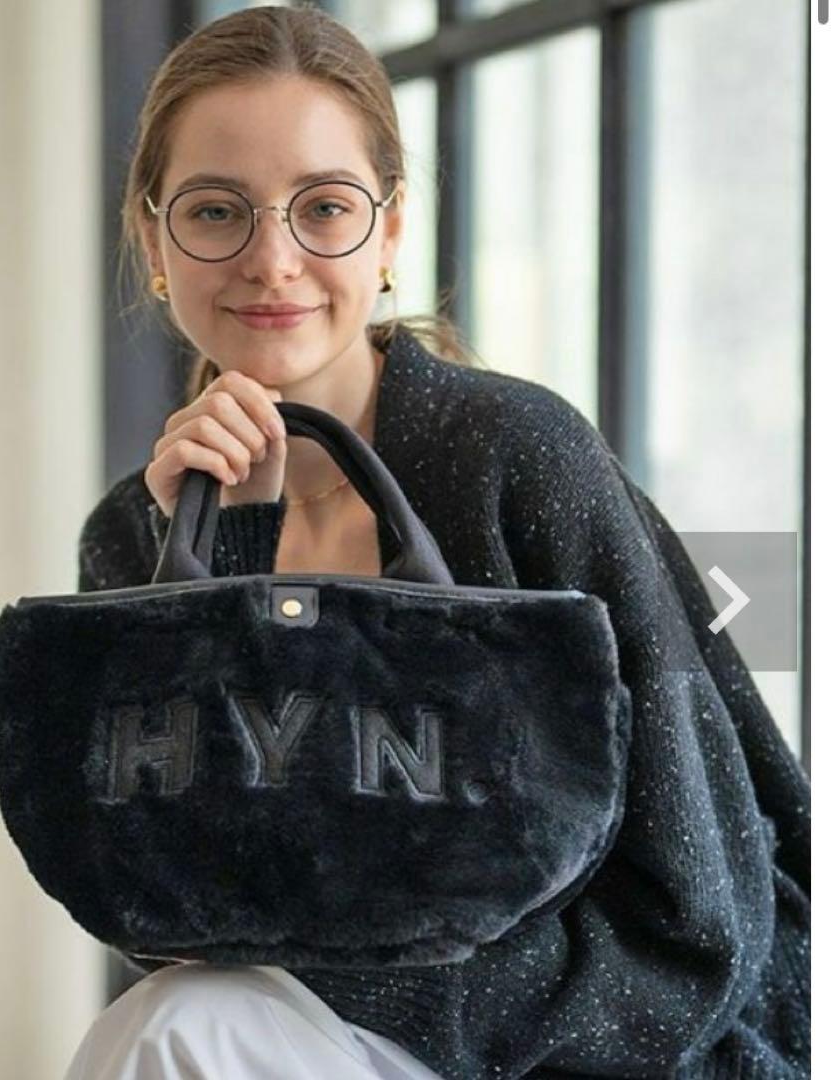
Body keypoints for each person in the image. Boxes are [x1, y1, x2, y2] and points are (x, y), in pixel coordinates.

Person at [71, 5, 810, 1079]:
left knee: (184, 1025)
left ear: (390, 233)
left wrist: (351, 978)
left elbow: (702, 916)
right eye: (216, 211)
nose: (271, 261)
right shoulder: (136, 532)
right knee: (185, 1016)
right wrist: (226, 559)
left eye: (325, 208)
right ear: (153, 242)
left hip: (605, 1051)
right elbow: (170, 906)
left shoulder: (513, 460)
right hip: (312, 1036)